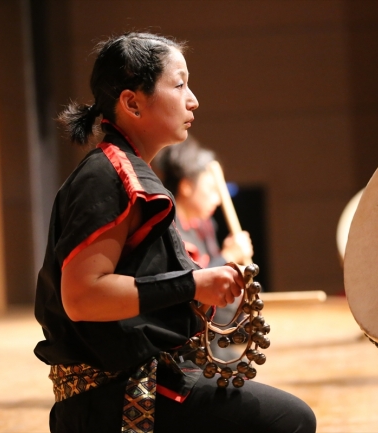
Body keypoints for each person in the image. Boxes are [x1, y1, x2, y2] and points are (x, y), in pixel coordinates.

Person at [33, 32, 316, 433]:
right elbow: (83, 297)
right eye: (179, 84)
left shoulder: (125, 171)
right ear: (132, 102)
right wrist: (192, 284)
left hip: (137, 381)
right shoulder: (107, 175)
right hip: (115, 395)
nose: (193, 99)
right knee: (290, 421)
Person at [154, 137, 253, 359]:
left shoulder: (205, 225)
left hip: (215, 337)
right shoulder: (167, 228)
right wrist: (228, 256)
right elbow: (187, 289)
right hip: (185, 347)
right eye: (211, 189)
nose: (218, 200)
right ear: (187, 186)